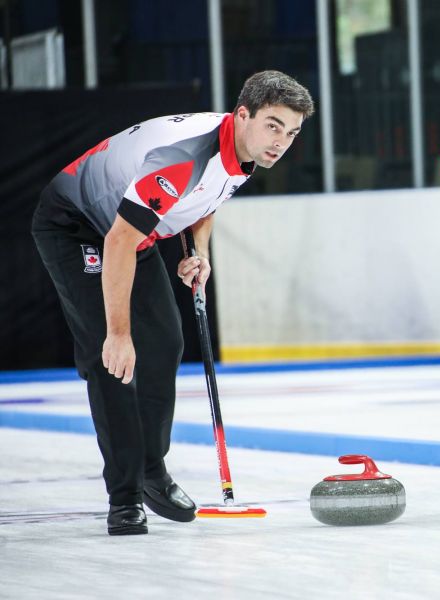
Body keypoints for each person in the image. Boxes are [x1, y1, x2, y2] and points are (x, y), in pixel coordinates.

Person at [31, 70, 314, 535]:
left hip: (132, 235)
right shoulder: (185, 155)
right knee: (113, 361)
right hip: (77, 226)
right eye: (273, 125)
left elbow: (207, 199)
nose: (281, 142)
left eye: (292, 132)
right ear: (243, 115)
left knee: (164, 341)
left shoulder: (245, 150)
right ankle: (124, 498)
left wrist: (196, 252)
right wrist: (118, 334)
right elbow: (119, 241)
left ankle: (151, 470)